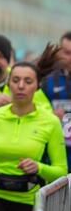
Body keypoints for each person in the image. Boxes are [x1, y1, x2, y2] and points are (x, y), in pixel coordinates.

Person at [0, 44, 68, 211]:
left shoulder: (50, 122)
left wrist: (39, 167)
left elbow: (61, 171)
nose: (20, 86)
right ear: (9, 83)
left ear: (37, 86)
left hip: (31, 204)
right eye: (16, 80)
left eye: (28, 82)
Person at [0, 34, 51, 112]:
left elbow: (46, 111)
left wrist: (19, 104)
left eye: (0, 56)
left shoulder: (23, 78)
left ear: (8, 60)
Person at [41, 32, 71, 171]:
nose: (70, 58)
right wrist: (49, 115)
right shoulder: (48, 80)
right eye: (66, 52)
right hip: (56, 151)